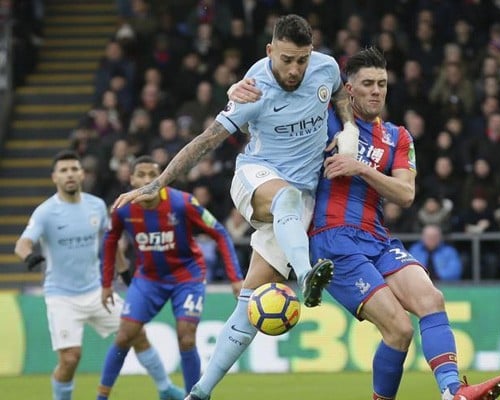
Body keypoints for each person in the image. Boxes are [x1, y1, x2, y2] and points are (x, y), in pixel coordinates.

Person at [111, 14, 358, 400]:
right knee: (287, 198)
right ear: (270, 51)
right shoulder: (252, 90)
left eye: (302, 60)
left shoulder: (325, 67)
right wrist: (159, 183)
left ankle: (200, 392)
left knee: (250, 304)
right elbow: (206, 140)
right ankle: (307, 273)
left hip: (299, 201)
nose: (295, 69)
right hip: (255, 178)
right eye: (287, 60)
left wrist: (349, 126)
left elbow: (340, 92)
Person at [309, 47, 500, 400]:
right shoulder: (328, 122)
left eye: (382, 84)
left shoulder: (397, 136)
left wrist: (360, 168)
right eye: (367, 83)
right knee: (399, 330)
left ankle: (453, 392)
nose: (376, 91)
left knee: (432, 299)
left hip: (377, 239)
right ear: (349, 89)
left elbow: (405, 194)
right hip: (333, 239)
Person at [14, 150, 183, 400]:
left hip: (96, 292)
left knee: (138, 333)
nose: (70, 174)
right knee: (70, 359)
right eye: (64, 170)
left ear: (82, 174)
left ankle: (165, 388)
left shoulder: (96, 206)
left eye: (74, 169)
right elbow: (22, 244)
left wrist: (125, 275)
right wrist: (29, 257)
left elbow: (110, 242)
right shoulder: (46, 212)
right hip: (62, 296)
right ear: (54, 177)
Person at [96, 156, 243, 399]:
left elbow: (220, 232)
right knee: (124, 336)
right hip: (149, 278)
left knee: (186, 337)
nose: (147, 180)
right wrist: (105, 284)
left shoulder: (182, 202)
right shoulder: (123, 208)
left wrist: (235, 278)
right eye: (141, 175)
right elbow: (110, 240)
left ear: (162, 178)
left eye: (153, 174)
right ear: (131, 180)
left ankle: (192, 396)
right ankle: (101, 397)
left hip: (187, 276)